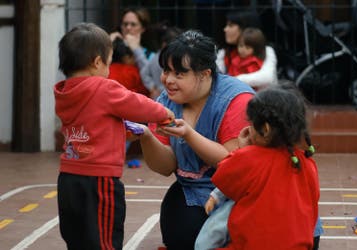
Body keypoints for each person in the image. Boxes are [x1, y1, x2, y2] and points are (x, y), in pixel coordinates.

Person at [54, 23, 174, 249]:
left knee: (77, 238)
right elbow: (137, 104)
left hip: (68, 178)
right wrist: (164, 112)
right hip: (99, 181)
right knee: (105, 240)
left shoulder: (64, 92)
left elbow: (94, 121)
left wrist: (121, 129)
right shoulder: (104, 88)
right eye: (109, 62)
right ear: (97, 62)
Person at [134, 30, 255, 249]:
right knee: (180, 235)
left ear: (205, 74)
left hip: (236, 193)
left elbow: (235, 163)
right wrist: (146, 136)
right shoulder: (165, 101)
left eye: (179, 74)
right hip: (192, 189)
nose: (168, 80)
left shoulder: (236, 99)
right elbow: (165, 166)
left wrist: (189, 135)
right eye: (166, 71)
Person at [195, 84, 322, 250]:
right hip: (299, 245)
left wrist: (242, 149)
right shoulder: (305, 162)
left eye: (251, 123)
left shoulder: (250, 157)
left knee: (204, 242)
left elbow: (225, 178)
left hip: (252, 245)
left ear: (265, 129)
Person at [216, 10, 278, 89]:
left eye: (230, 26)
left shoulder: (267, 50)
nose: (225, 29)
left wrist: (232, 80)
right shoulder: (225, 52)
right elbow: (216, 76)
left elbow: (267, 77)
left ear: (244, 28)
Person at [139, 25, 182, 99]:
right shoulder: (157, 57)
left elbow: (144, 73)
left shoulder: (157, 56)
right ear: (164, 44)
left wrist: (152, 87)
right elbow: (144, 73)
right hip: (162, 96)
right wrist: (152, 87)